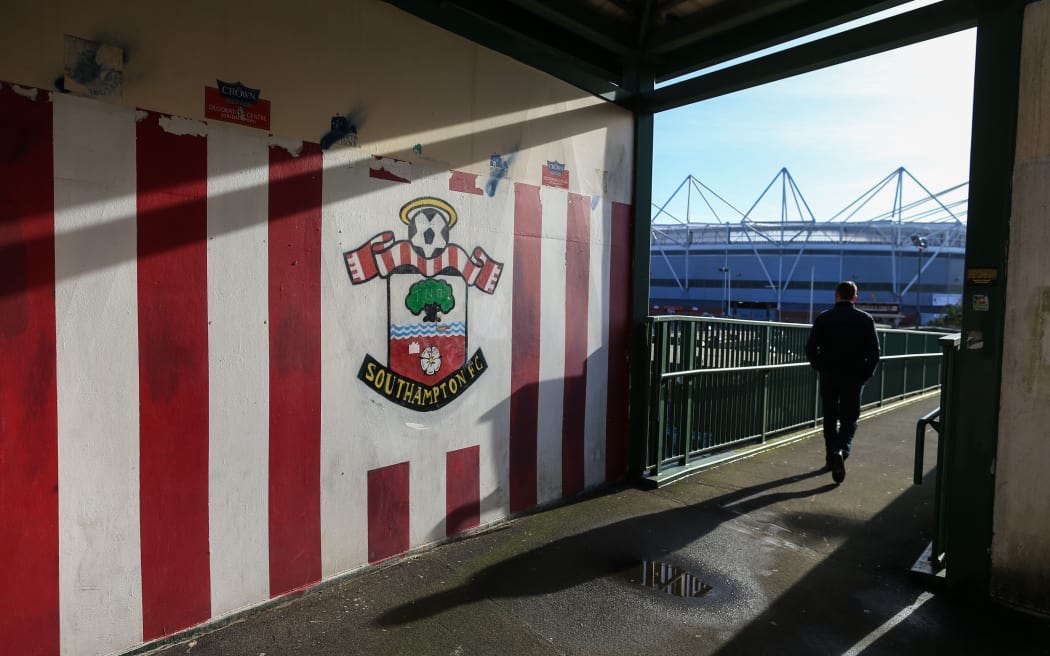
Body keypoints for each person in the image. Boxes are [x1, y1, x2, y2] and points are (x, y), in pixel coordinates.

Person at [805, 281, 881, 484]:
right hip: (854, 376)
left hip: (829, 375)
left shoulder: (824, 318)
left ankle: (831, 457)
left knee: (830, 417)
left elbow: (811, 348)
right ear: (855, 298)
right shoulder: (865, 319)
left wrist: (820, 366)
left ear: (836, 295)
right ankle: (841, 450)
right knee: (849, 418)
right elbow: (874, 352)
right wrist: (866, 374)